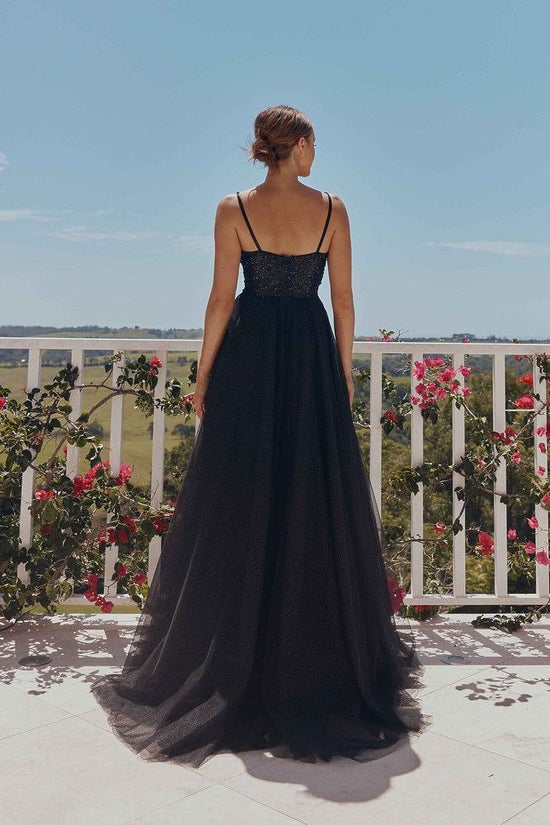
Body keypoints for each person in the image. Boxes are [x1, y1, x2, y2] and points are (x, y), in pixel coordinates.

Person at [90, 104, 431, 768]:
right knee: (309, 503)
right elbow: (346, 302)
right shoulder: (334, 209)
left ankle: (235, 657)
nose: (315, 154)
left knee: (241, 503)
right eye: (313, 143)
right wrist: (340, 377)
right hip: (307, 362)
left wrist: (206, 373)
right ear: (297, 145)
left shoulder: (231, 209)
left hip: (249, 363)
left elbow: (220, 299)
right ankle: (308, 660)